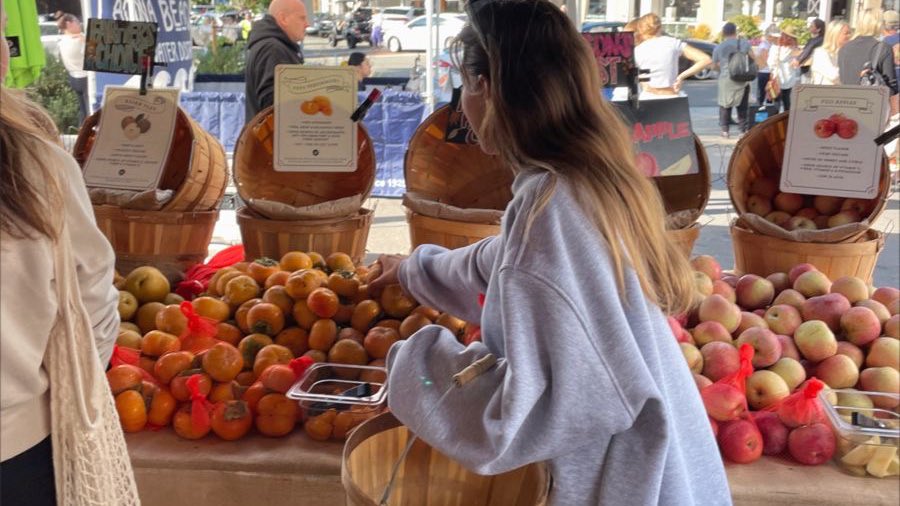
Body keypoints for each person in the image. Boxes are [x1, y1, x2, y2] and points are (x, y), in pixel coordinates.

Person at [367, 1, 732, 504]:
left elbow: (518, 421)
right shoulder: (586, 181)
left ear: (487, 89)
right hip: (678, 472)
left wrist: (413, 362)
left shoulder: (550, 213)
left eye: (462, 84)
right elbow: (504, 262)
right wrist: (413, 270)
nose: (461, 103)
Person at [0, 10, 120, 506]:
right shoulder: (38, 165)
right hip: (20, 448)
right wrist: (76, 393)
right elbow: (94, 301)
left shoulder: (38, 163)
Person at [244, 0, 309, 121]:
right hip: (273, 138)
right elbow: (272, 108)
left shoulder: (273, 46)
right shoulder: (273, 50)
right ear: (283, 18)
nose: (307, 24)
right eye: (302, 18)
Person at [634, 13, 711, 100]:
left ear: (641, 30)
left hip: (648, 97)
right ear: (660, 27)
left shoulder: (638, 50)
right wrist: (681, 76)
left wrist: (642, 80)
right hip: (672, 96)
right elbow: (706, 59)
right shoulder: (673, 43)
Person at [838, 8, 897, 97]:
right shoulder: (883, 48)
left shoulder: (844, 48)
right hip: (871, 104)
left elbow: (842, 79)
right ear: (878, 24)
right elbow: (891, 88)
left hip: (847, 103)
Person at [712, 22, 753, 138]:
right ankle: (742, 131)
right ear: (735, 32)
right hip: (741, 78)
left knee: (725, 105)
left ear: (724, 33)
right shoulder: (744, 43)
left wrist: (721, 69)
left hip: (725, 79)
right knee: (742, 105)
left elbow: (714, 65)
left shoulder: (718, 47)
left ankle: (725, 130)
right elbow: (753, 58)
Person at [56, 13, 89, 125]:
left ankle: (82, 134)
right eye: (77, 22)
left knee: (83, 110)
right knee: (90, 112)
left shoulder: (62, 41)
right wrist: (86, 41)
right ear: (69, 24)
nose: (79, 24)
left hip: (73, 78)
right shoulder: (78, 41)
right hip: (85, 77)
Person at [767, 25, 800, 112]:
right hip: (789, 78)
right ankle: (787, 120)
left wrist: (772, 72)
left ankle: (775, 121)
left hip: (777, 77)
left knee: (776, 101)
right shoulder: (794, 49)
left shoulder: (775, 47)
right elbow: (796, 65)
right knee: (787, 100)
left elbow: (770, 63)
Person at [809, 20, 850, 85]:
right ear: (835, 34)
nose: (849, 36)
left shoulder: (846, 53)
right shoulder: (820, 53)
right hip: (824, 93)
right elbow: (833, 75)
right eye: (846, 33)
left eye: (850, 33)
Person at [754, 24, 779, 106]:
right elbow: (766, 60)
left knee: (771, 94)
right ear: (769, 36)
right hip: (765, 72)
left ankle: (770, 111)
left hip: (769, 72)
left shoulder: (770, 45)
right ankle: (761, 110)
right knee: (763, 93)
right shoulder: (764, 45)